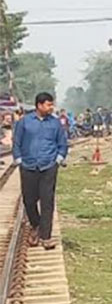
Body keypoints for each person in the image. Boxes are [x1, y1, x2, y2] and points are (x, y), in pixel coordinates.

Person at [13, 92, 68, 250]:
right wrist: (19, 160)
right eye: (48, 104)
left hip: (48, 166)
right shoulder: (24, 122)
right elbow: (17, 142)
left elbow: (62, 143)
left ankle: (46, 236)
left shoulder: (55, 123)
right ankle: (36, 225)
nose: (51, 107)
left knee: (47, 201)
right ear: (39, 105)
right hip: (28, 166)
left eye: (52, 104)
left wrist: (58, 160)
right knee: (29, 201)